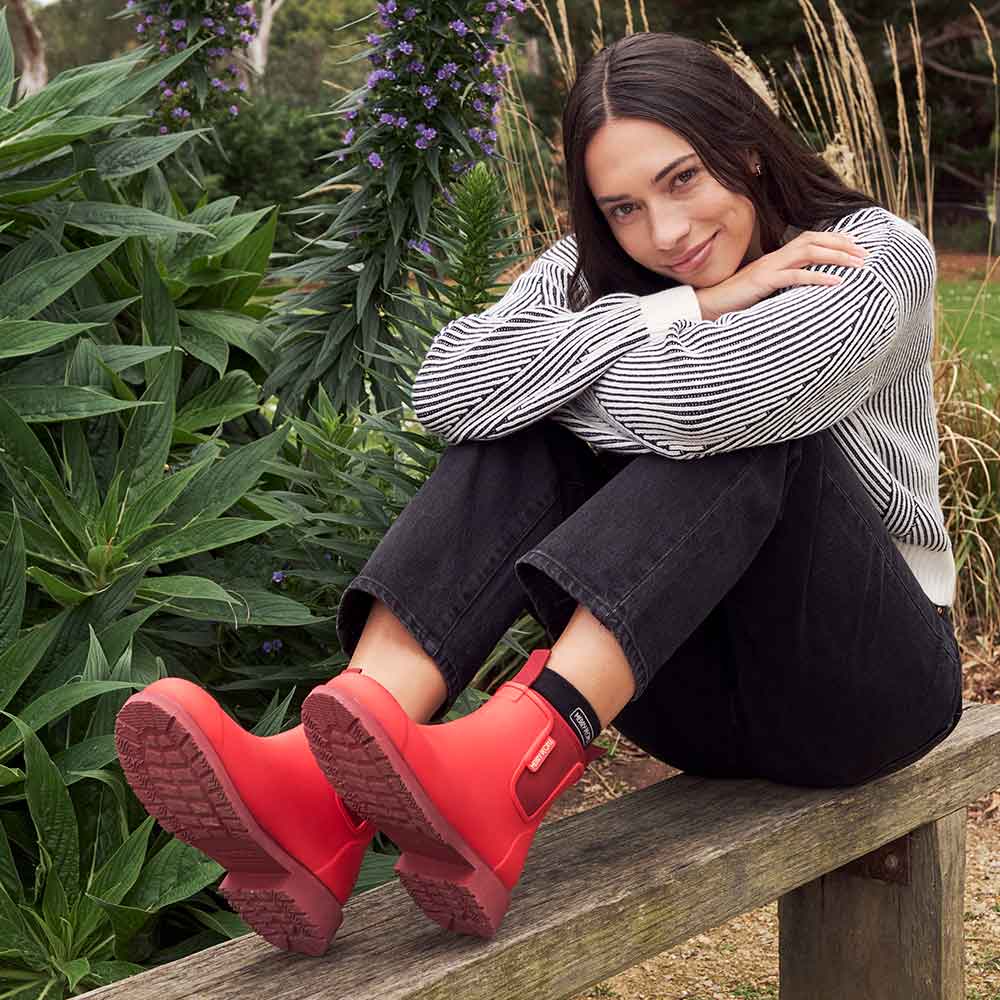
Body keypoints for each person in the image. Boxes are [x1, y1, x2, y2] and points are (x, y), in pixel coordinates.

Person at [115, 31, 962, 957]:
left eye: (683, 180)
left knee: (743, 430)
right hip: (683, 691)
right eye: (625, 209)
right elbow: (448, 386)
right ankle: (320, 796)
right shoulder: (593, 268)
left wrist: (566, 377)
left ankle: (514, 764)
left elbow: (728, 402)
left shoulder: (876, 253)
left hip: (864, 687)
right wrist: (676, 311)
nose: (666, 234)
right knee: (516, 425)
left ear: (746, 147)